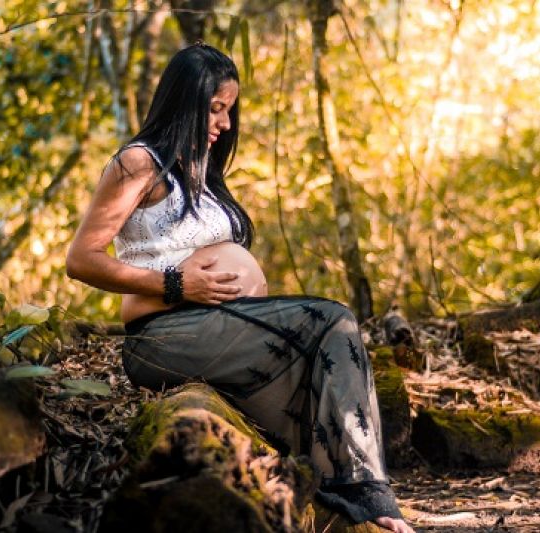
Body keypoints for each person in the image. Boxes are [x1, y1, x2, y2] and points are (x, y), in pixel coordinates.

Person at [66, 43, 414, 533]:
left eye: (228, 111)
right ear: (185, 101)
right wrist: (176, 284)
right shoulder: (138, 164)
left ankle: (348, 506)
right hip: (164, 336)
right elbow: (81, 259)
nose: (225, 124)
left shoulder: (202, 174)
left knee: (319, 375)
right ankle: (367, 495)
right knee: (332, 319)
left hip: (222, 332)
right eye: (215, 109)